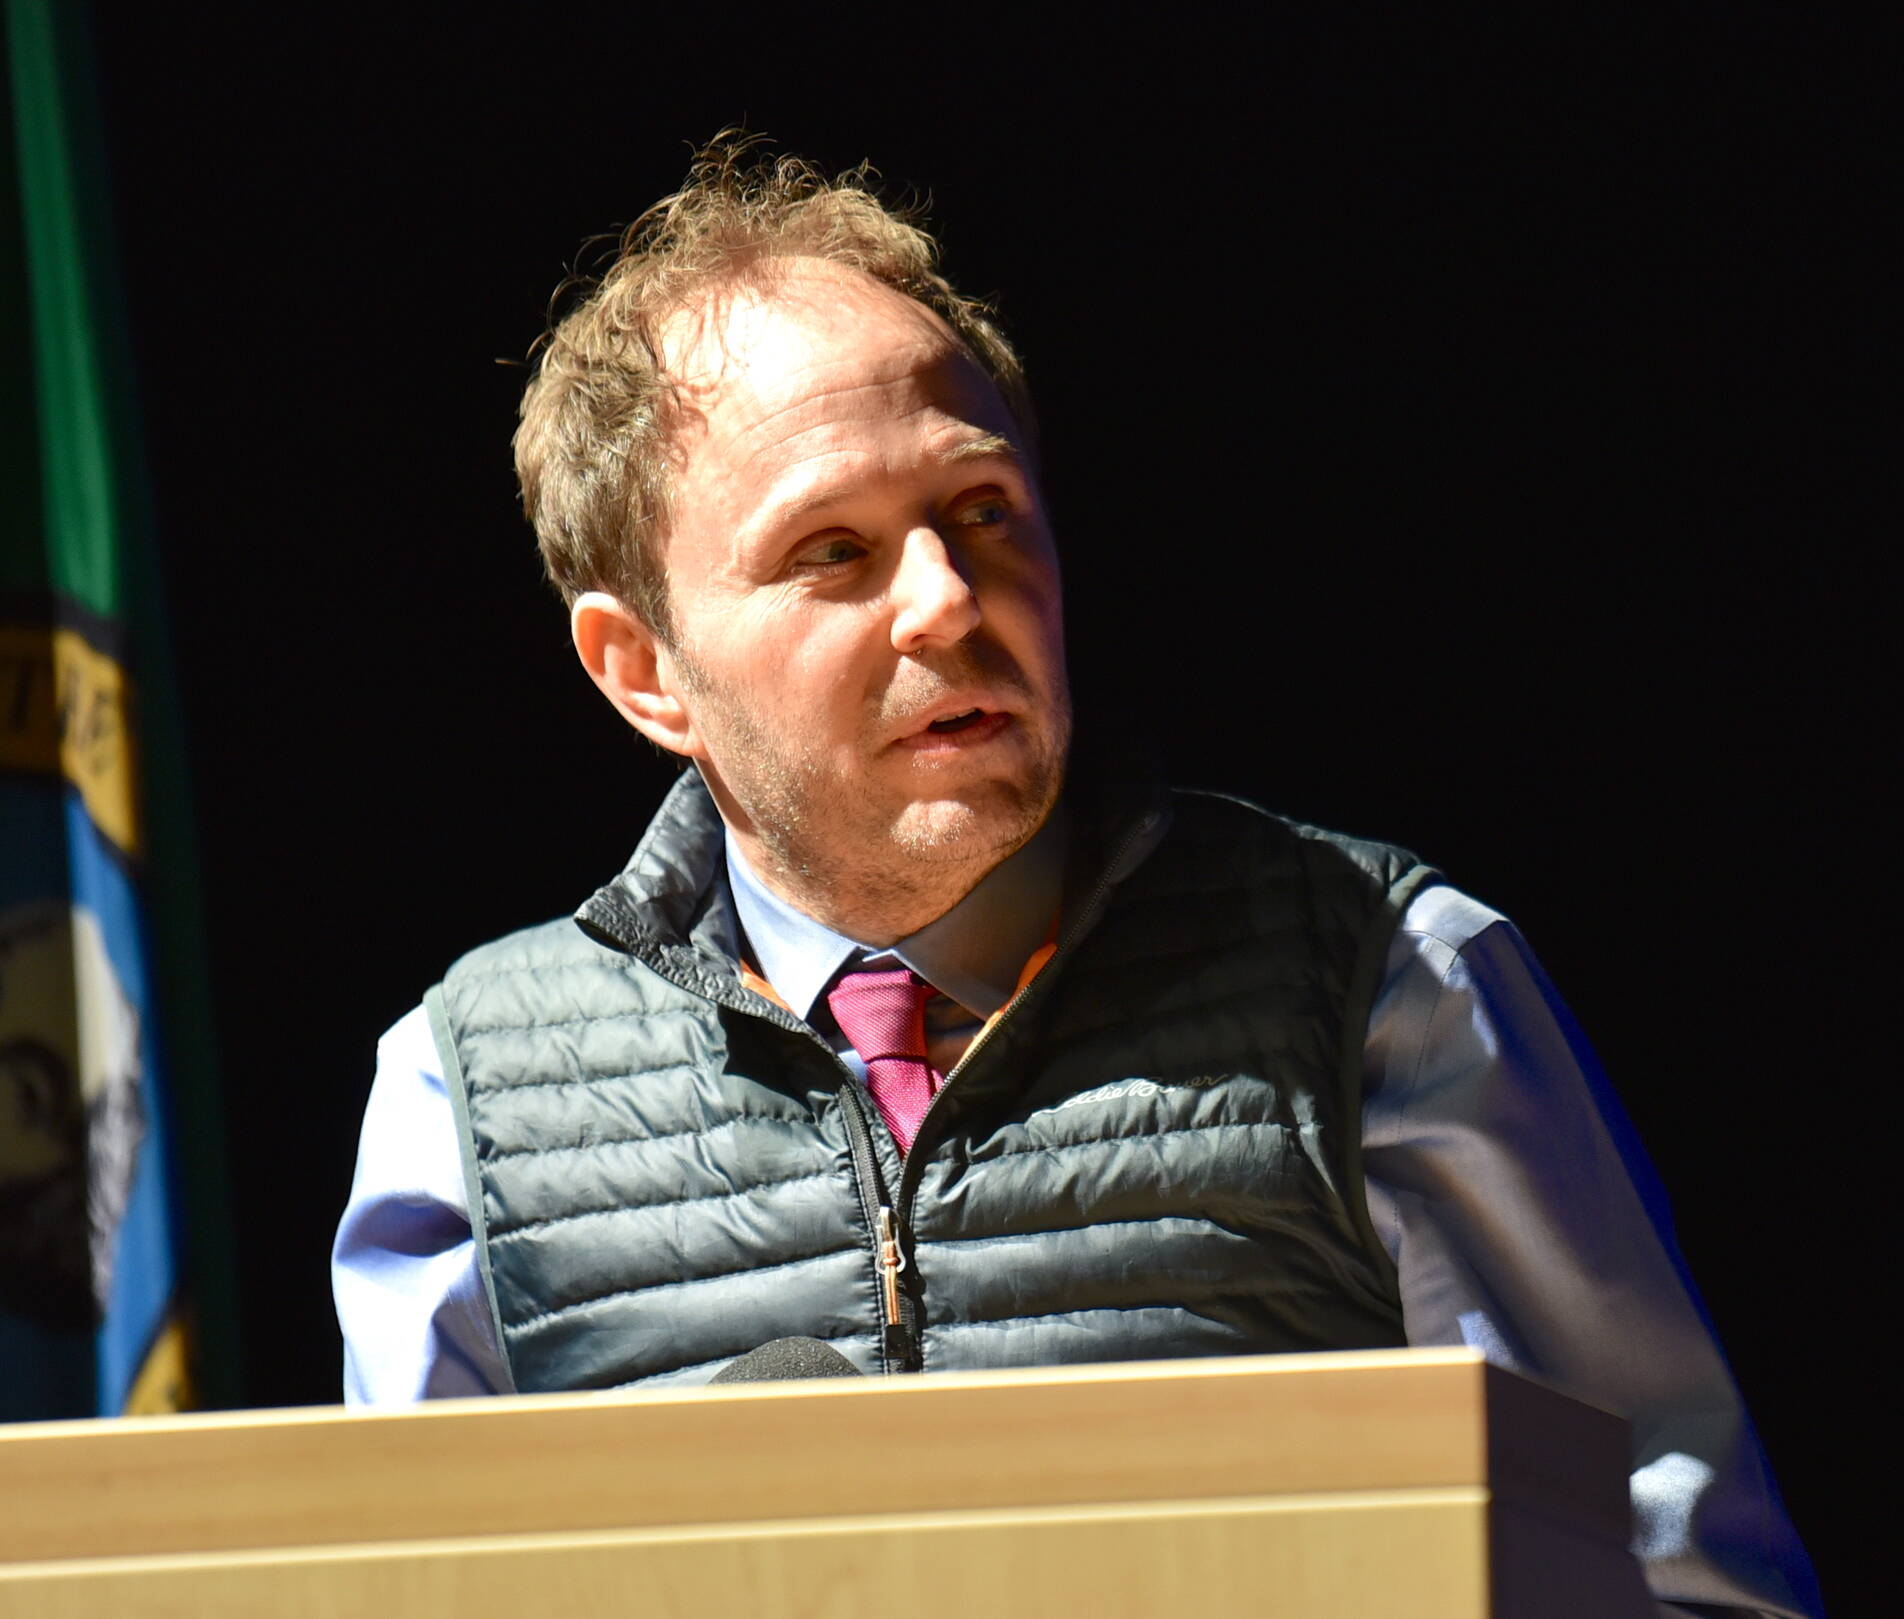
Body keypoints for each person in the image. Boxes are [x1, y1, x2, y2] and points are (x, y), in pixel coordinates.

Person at [332, 140, 1822, 1618]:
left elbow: (1677, 1588)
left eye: (981, 511)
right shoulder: (465, 1097)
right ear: (645, 671)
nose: (947, 601)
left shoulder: (1387, 974)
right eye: (834, 552)